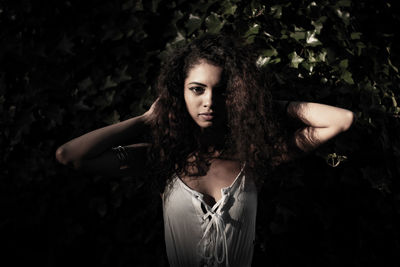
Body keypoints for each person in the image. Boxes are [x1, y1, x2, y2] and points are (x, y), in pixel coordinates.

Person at [55, 34, 355, 267]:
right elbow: (70, 156)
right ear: (180, 92)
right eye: (197, 89)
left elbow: (341, 120)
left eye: (221, 90)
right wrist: (146, 119)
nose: (209, 100)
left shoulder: (254, 156)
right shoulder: (161, 158)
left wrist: (259, 107)